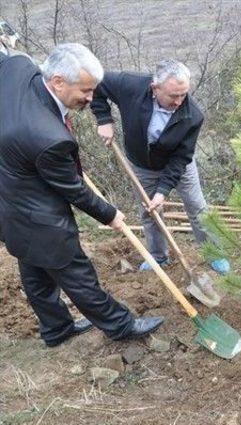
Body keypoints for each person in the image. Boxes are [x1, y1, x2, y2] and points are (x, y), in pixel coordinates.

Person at [0, 43, 164, 348]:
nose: (90, 98)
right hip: (38, 215)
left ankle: (56, 329)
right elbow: (75, 190)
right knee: (76, 272)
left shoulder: (19, 66)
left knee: (35, 270)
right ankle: (121, 326)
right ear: (58, 81)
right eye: (85, 91)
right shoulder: (48, 138)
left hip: (9, 202)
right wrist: (110, 213)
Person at [90, 59, 229, 274]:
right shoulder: (131, 86)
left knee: (197, 208)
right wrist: (103, 119)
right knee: (149, 212)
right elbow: (97, 83)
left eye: (183, 95)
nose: (179, 101)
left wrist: (163, 191)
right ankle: (158, 256)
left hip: (178, 165)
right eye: (173, 95)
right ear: (155, 88)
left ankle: (213, 252)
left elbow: (181, 158)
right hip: (142, 165)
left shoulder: (192, 115)